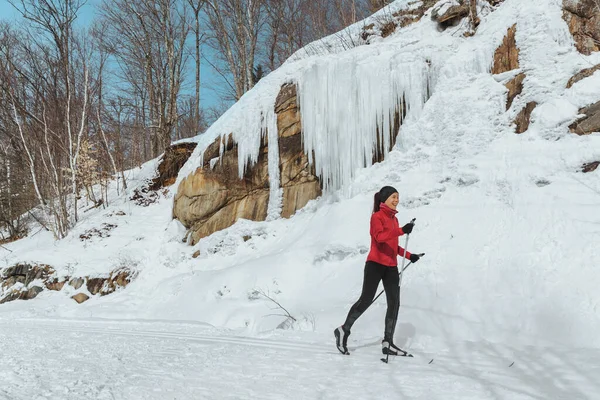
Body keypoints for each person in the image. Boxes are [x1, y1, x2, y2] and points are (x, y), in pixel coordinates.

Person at [334, 186, 422, 356]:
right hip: (375, 264)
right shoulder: (377, 217)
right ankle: (344, 330)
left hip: (391, 267)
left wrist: (410, 255)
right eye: (393, 197)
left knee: (394, 303)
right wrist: (402, 230)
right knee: (366, 299)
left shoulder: (394, 220)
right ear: (385, 199)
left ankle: (388, 341)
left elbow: (393, 246)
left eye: (398, 197)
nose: (397, 200)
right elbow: (380, 237)